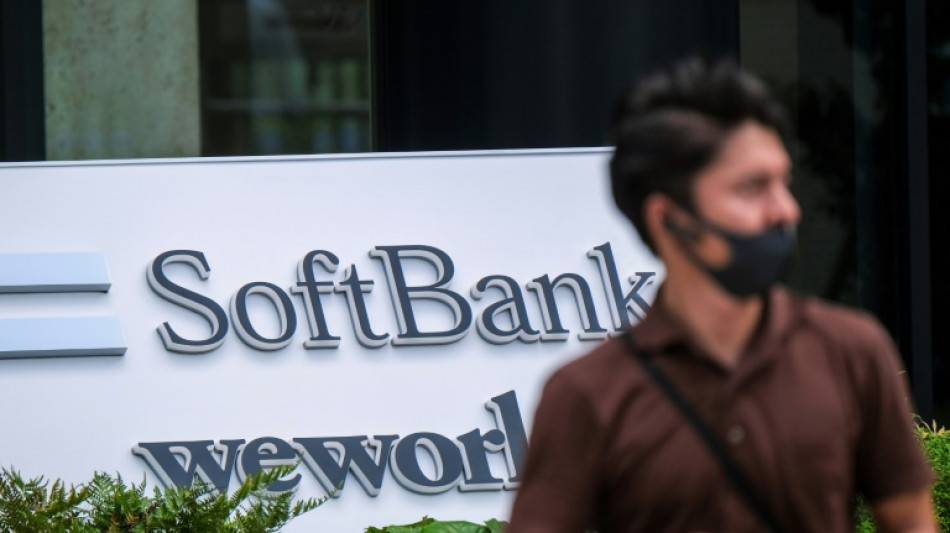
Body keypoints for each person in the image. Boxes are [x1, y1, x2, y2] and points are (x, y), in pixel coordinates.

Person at [506, 57, 936, 533]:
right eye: (753, 188)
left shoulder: (852, 351)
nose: (786, 209)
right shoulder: (587, 393)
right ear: (668, 217)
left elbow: (911, 521)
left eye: (784, 182)